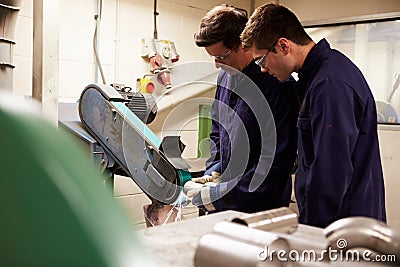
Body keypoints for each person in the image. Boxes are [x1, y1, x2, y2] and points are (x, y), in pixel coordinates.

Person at [241, 3, 386, 227]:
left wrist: (310, 232)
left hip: (343, 226)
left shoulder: (329, 85)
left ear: (283, 46)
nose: (262, 69)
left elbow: (331, 174)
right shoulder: (320, 76)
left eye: (261, 59)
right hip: (341, 220)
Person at [184, 5, 301, 213]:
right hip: (225, 199)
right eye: (214, 58)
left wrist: (223, 197)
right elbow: (218, 133)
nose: (217, 65)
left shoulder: (278, 83)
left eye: (222, 56)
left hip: (260, 206)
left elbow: (275, 162)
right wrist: (213, 174)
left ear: (243, 44)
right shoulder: (225, 77)